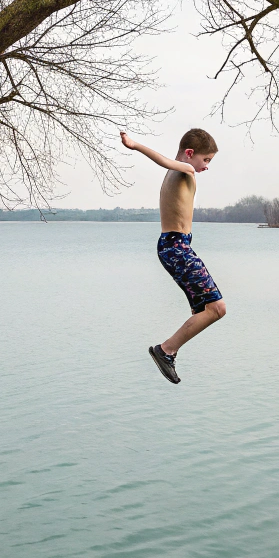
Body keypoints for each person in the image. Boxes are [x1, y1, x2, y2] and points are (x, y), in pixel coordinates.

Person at [120, 128, 227, 384]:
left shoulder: (175, 173)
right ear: (190, 154)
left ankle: (169, 350)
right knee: (217, 308)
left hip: (175, 247)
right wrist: (135, 145)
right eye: (206, 160)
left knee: (204, 309)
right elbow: (164, 160)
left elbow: (168, 163)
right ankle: (165, 350)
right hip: (176, 247)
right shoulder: (183, 169)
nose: (207, 166)